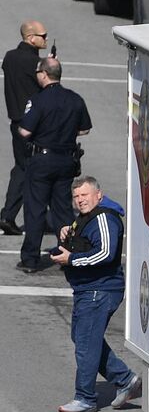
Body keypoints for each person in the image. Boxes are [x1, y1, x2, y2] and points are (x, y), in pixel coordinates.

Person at [49, 177, 139, 412]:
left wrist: (72, 259)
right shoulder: (85, 218)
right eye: (76, 197)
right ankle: (125, 379)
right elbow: (84, 245)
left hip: (100, 289)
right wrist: (66, 236)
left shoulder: (104, 218)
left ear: (99, 194)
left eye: (85, 195)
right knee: (85, 340)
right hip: (87, 289)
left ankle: (85, 398)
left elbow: (106, 254)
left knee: (86, 344)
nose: (80, 200)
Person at [17, 57, 89, 273]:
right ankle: (66, 253)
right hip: (66, 160)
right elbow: (84, 129)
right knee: (63, 210)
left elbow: (25, 131)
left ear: (44, 74)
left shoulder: (39, 100)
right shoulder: (75, 99)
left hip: (42, 159)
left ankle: (30, 259)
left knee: (36, 209)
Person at [2, 21, 50, 236]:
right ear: (31, 38)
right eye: (43, 35)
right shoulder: (36, 63)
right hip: (34, 124)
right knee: (33, 169)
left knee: (22, 167)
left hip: (16, 121)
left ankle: (12, 215)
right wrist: (50, 66)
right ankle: (9, 215)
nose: (45, 39)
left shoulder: (10, 57)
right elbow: (48, 85)